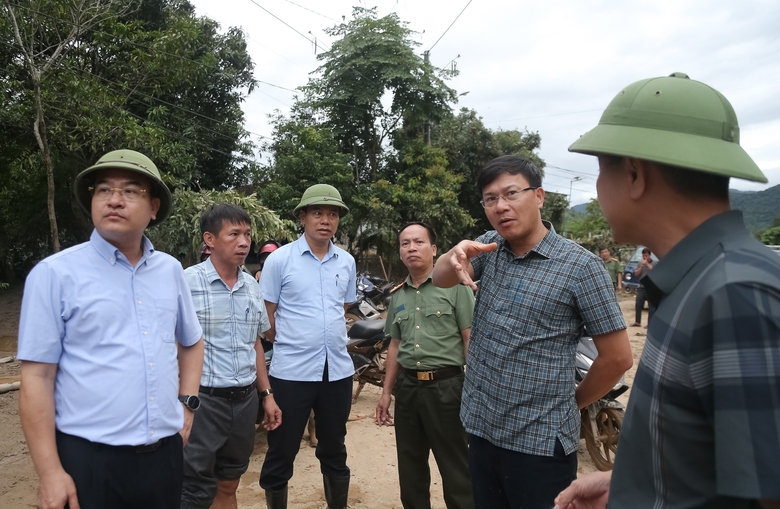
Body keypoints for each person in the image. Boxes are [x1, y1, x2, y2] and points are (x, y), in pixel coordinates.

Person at [555, 73, 780, 509]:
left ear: (635, 175)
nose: (598, 190)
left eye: (600, 172)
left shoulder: (736, 294)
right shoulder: (692, 282)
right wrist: (630, 484)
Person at [431, 155, 633, 509]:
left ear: (539, 196)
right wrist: (453, 256)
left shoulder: (581, 267)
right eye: (491, 199)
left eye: (511, 193)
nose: (501, 206)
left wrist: (571, 404)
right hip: (481, 429)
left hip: (539, 443)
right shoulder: (489, 248)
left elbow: (617, 358)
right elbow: (439, 278)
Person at [17, 149, 205, 509]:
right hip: (90, 462)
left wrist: (188, 403)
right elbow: (37, 377)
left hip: (164, 457)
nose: (114, 200)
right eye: (103, 190)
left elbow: (192, 342)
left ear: (153, 207)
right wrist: (50, 473)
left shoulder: (169, 270)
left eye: (130, 191)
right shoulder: (54, 274)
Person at [259, 184, 356, 509]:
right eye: (317, 213)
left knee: (334, 448)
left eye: (332, 214)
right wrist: (295, 342)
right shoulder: (279, 260)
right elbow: (267, 318)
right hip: (292, 373)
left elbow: (341, 310)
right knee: (282, 449)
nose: (325, 220)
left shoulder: (346, 261)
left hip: (337, 373)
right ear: (303, 217)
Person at [181, 204, 282, 509]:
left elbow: (255, 344)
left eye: (247, 234)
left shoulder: (252, 286)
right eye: (234, 234)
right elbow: (171, 344)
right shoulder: (186, 283)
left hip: (243, 403)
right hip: (202, 403)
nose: (243, 242)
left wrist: (266, 395)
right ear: (209, 239)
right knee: (192, 490)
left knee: (229, 483)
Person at [376, 222, 475, 509]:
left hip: (448, 388)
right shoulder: (398, 296)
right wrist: (386, 393)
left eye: (418, 242)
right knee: (410, 468)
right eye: (405, 243)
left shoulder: (456, 288)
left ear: (433, 249)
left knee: (456, 468)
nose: (411, 248)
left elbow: (469, 337)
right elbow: (395, 345)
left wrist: (474, 389)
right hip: (408, 390)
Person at [630, 247, 655, 328]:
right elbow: (636, 273)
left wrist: (647, 264)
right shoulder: (640, 263)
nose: (645, 257)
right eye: (643, 255)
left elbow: (655, 271)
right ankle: (637, 322)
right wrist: (641, 266)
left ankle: (650, 323)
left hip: (651, 286)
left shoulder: (655, 263)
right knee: (638, 303)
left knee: (651, 306)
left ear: (650, 255)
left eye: (646, 255)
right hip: (642, 286)